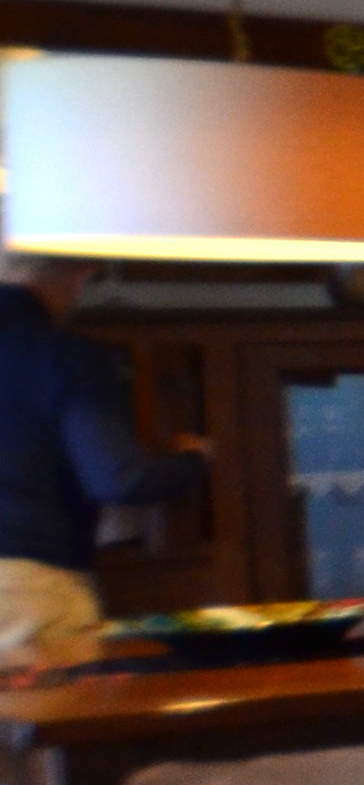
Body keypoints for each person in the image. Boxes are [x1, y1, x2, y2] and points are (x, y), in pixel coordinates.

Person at [0, 254, 209, 670]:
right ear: (80, 274)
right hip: (25, 587)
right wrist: (193, 459)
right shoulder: (63, 355)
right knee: (51, 712)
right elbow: (120, 477)